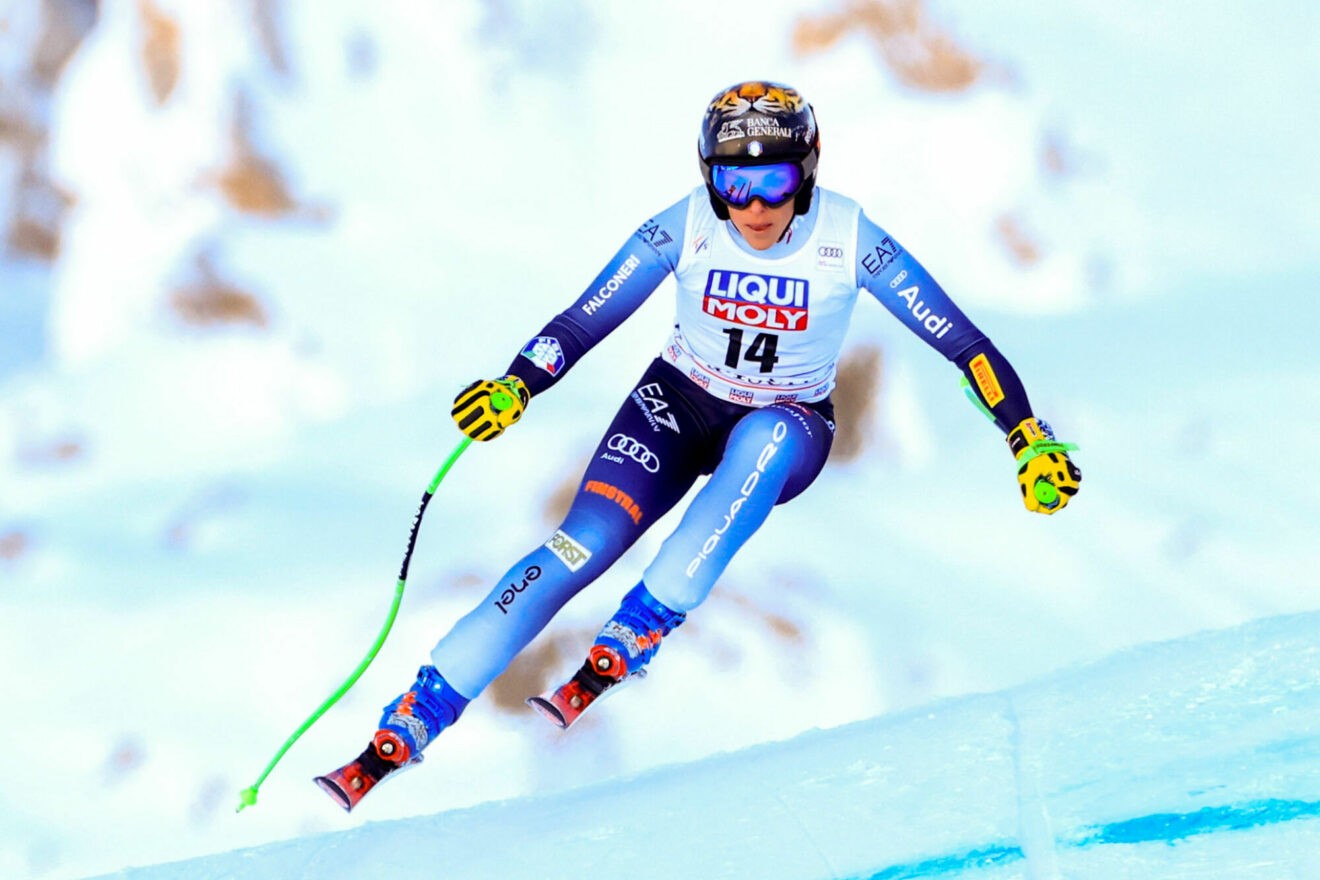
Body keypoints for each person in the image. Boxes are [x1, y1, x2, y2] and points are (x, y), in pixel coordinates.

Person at [320, 80, 1081, 805]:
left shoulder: (849, 238)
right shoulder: (685, 224)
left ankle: (647, 618)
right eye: (733, 183)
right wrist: (519, 383)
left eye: (775, 181)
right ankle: (422, 708)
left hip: (789, 420)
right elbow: (587, 316)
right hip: (676, 404)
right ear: (708, 178)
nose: (753, 207)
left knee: (765, 442)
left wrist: (1026, 435)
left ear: (808, 173)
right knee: (577, 547)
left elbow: (960, 342)